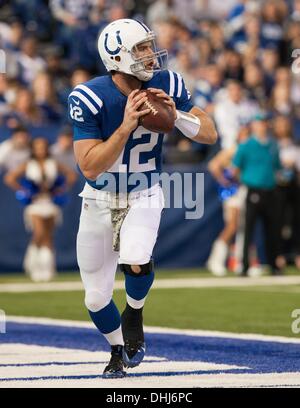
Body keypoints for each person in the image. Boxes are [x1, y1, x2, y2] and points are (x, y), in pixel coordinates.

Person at [68, 18, 217, 379]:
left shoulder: (168, 83)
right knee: (96, 298)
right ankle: (118, 349)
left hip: (144, 192)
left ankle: (134, 313)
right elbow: (89, 166)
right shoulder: (90, 95)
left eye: (149, 46)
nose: (150, 55)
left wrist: (175, 114)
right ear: (117, 56)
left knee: (136, 257)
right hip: (99, 198)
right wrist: (126, 125)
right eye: (141, 48)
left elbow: (210, 134)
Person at [4, 137, 77, 282]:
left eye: (43, 147)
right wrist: (24, 191)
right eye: (37, 147)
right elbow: (9, 178)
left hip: (50, 202)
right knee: (39, 233)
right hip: (35, 203)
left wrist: (60, 190)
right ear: (33, 149)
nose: (40, 150)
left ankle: (48, 268)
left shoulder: (53, 163)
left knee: (48, 236)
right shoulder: (28, 164)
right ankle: (34, 265)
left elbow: (72, 175)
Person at [232, 114, 282, 276]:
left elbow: (277, 167)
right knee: (248, 230)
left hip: (271, 190)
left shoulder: (273, 145)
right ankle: (245, 265)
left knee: (272, 230)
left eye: (263, 123)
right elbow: (235, 169)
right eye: (258, 123)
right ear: (253, 126)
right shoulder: (246, 146)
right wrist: (245, 181)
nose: (261, 126)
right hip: (253, 190)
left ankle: (273, 265)